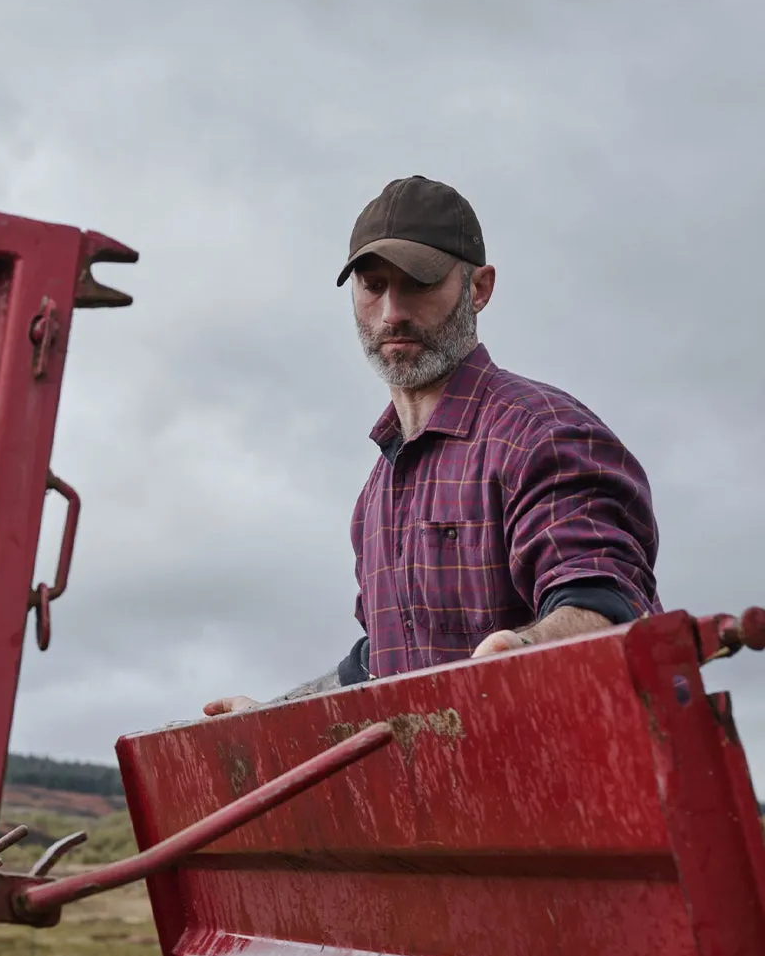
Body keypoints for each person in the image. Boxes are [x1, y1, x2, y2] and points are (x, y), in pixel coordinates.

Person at [204, 175, 661, 717]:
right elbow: (380, 666)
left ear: (479, 288)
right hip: (457, 796)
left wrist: (524, 650)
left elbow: (605, 600)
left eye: (418, 283)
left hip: (593, 785)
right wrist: (274, 714)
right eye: (373, 286)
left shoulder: (544, 434)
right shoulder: (378, 492)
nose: (392, 312)